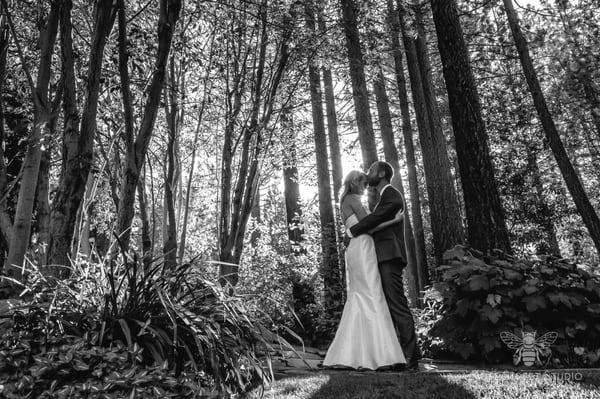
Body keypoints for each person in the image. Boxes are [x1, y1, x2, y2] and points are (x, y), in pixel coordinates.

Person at [322, 170, 406, 370]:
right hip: (362, 248)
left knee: (361, 296)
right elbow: (368, 226)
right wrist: (395, 220)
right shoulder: (352, 199)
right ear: (354, 182)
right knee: (372, 294)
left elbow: (362, 226)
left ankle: (357, 352)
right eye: (363, 183)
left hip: (358, 248)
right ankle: (381, 354)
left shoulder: (347, 200)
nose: (365, 187)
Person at [346, 161, 420, 371]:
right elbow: (378, 222)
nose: (368, 174)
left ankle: (410, 359)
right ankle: (401, 354)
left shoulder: (392, 195)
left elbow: (376, 220)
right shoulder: (383, 198)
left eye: (370, 171)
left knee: (397, 304)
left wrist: (353, 231)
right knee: (388, 305)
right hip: (381, 256)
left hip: (390, 256)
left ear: (381, 173)